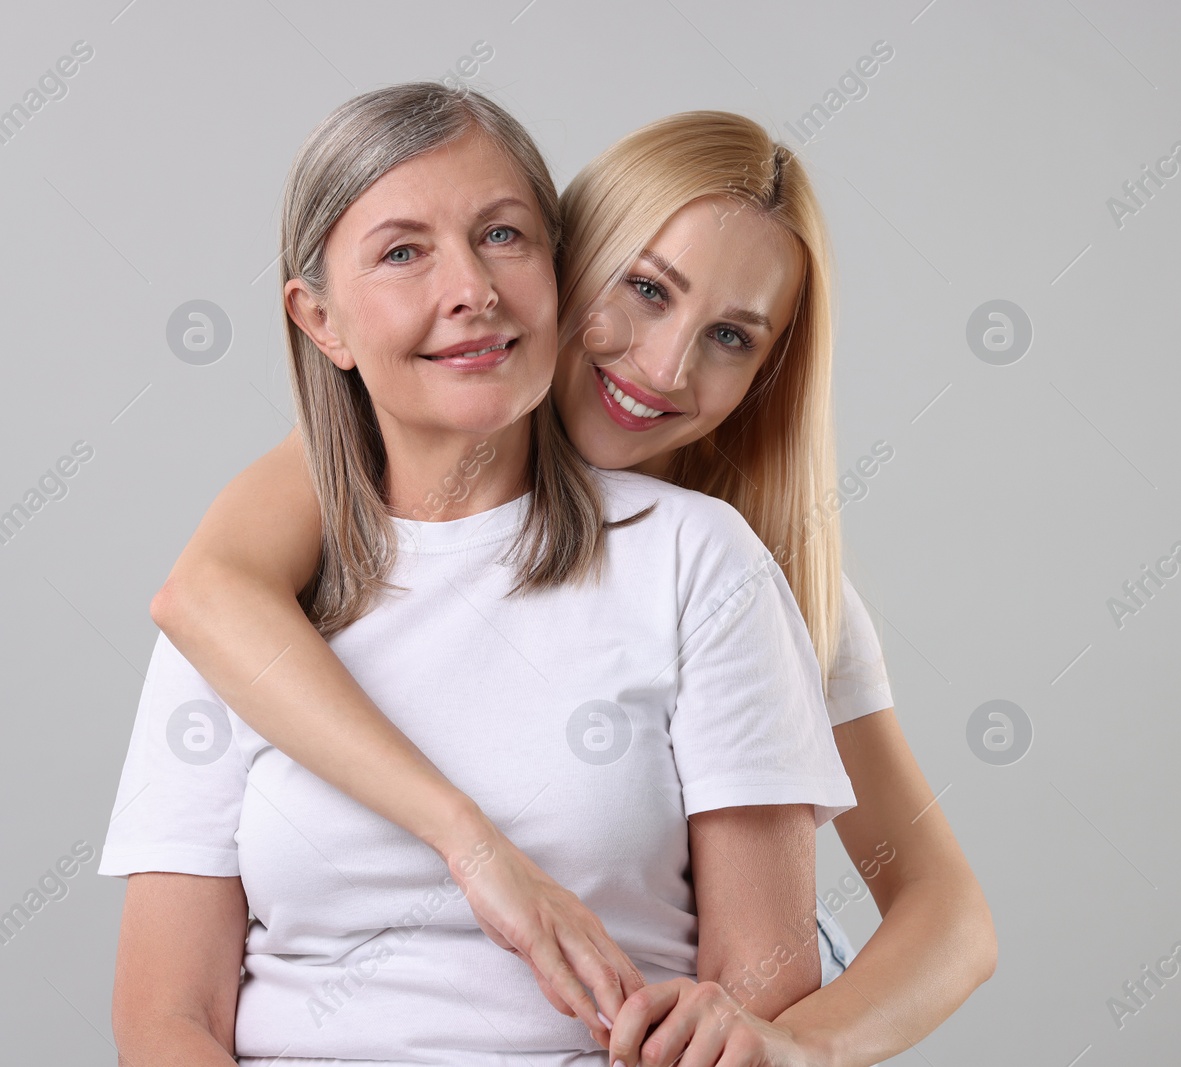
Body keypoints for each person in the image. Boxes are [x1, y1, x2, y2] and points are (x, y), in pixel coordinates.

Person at [150, 95, 998, 1067]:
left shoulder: (750, 565)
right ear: (564, 263)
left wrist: (790, 1045)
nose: (664, 364)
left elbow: (946, 912)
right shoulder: (370, 478)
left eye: (732, 337)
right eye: (644, 289)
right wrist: (473, 847)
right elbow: (206, 591)